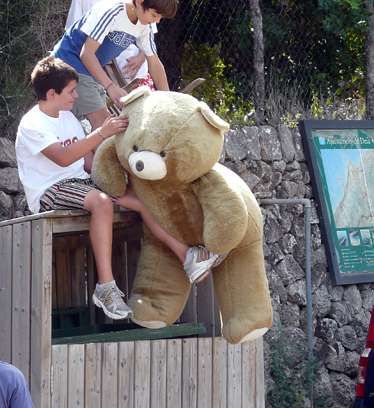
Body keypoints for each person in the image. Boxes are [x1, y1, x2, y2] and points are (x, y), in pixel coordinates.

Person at [15, 57, 224, 321]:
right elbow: (64, 158)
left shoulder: (68, 117)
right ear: (52, 93)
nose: (76, 96)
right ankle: (105, 287)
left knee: (138, 197)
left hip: (80, 183)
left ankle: (187, 256)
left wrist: (119, 171)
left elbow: (88, 163)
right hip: (49, 190)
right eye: (71, 91)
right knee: (101, 202)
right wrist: (101, 133)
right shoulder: (32, 124)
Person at [53, 0, 178, 131]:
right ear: (139, 2)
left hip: (90, 73)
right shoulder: (112, 11)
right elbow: (86, 53)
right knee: (104, 126)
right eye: (155, 15)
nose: (157, 21)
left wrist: (168, 102)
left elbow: (154, 64)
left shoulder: (143, 25)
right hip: (69, 66)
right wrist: (110, 86)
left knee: (102, 129)